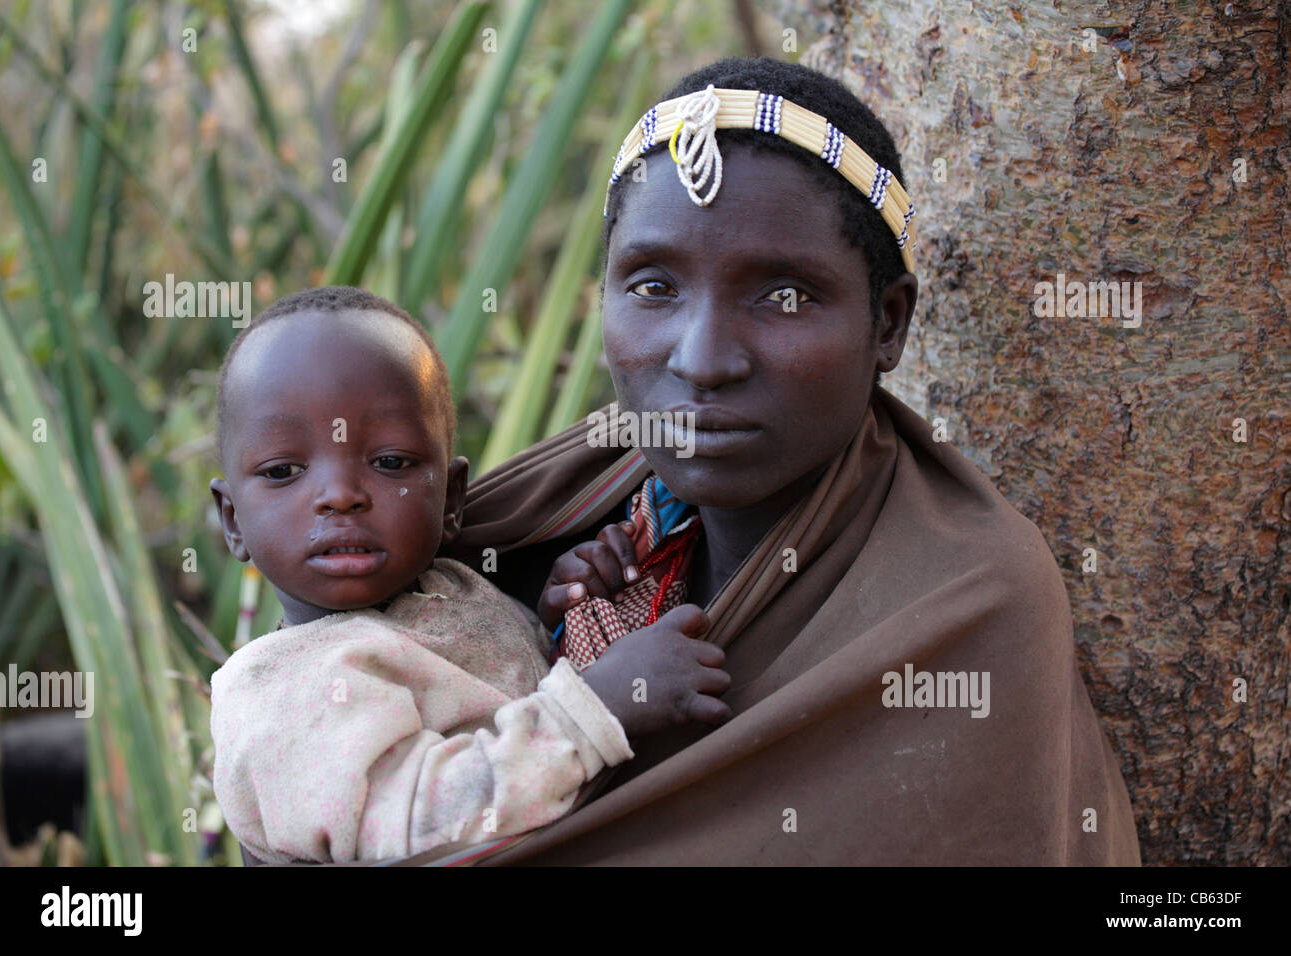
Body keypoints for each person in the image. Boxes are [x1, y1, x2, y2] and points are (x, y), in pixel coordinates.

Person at [414, 57, 1142, 865]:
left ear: (888, 324)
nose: (703, 359)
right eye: (653, 286)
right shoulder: (512, 533)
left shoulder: (966, 602)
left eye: (783, 295)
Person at [206, 286, 730, 864]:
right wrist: (596, 708)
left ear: (453, 499)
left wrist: (560, 613)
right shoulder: (281, 689)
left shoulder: (457, 589)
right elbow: (413, 827)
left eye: (390, 463)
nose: (340, 496)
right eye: (283, 471)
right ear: (233, 520)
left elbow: (508, 689)